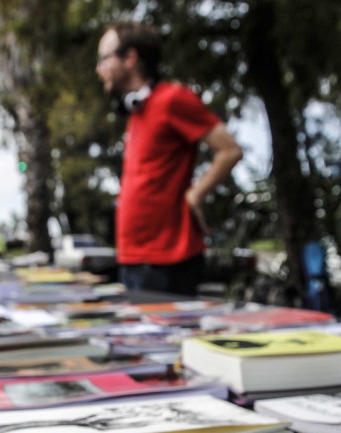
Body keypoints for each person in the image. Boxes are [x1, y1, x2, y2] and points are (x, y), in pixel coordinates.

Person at [95, 22, 243, 296]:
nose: (99, 69)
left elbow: (229, 150)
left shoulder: (173, 99)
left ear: (130, 58)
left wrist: (196, 194)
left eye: (104, 58)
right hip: (134, 257)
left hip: (166, 260)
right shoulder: (137, 112)